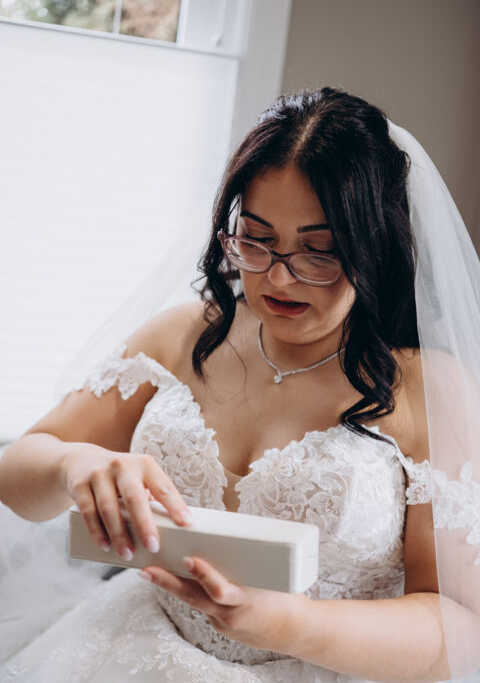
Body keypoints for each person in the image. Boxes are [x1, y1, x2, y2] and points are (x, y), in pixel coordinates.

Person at [0, 87, 479, 683]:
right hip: (131, 647)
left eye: (319, 251)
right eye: (256, 239)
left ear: (373, 247)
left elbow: (462, 626)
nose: (278, 277)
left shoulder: (428, 390)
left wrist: (290, 625)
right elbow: (16, 474)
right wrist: (72, 465)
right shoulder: (181, 337)